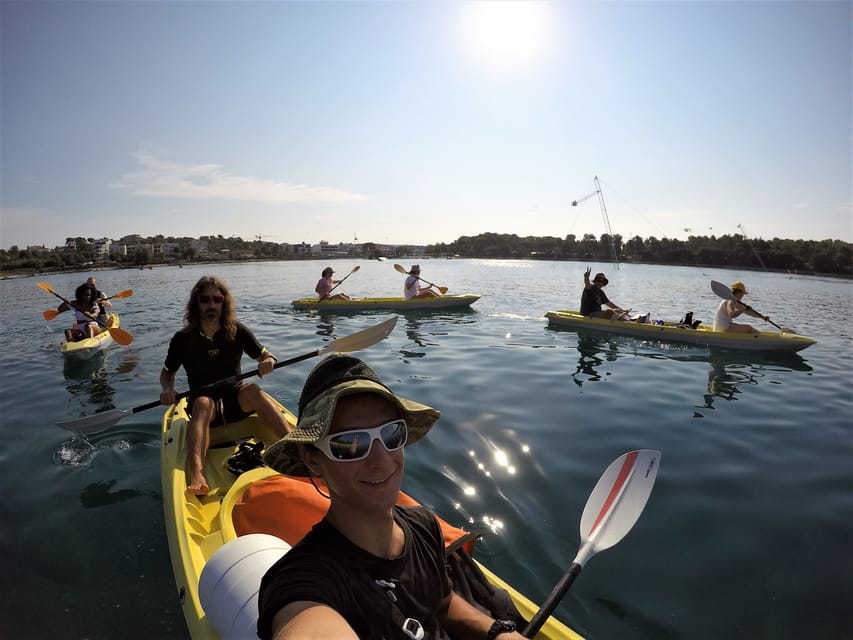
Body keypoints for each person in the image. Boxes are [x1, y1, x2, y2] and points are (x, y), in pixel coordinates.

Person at [258, 355, 526, 640]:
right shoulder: (306, 580)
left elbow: (442, 603)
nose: (381, 459)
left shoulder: (423, 525)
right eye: (350, 443)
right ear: (312, 459)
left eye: (391, 434)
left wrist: (498, 633)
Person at [159, 276, 291, 495]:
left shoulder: (237, 330)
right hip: (204, 405)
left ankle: (293, 445)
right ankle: (198, 473)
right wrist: (167, 389)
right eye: (205, 300)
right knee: (202, 403)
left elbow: (266, 356)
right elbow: (167, 373)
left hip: (234, 399)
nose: (211, 305)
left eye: (217, 299)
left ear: (224, 302)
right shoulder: (182, 339)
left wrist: (268, 362)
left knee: (254, 391)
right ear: (196, 302)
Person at [580, 268, 648, 322]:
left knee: (617, 310)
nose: (600, 283)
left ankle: (633, 319)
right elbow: (587, 284)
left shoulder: (601, 292)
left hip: (597, 313)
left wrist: (623, 311)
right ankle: (630, 323)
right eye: (598, 281)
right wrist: (586, 278)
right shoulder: (589, 288)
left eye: (602, 282)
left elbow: (610, 304)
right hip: (588, 315)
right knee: (609, 312)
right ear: (595, 281)